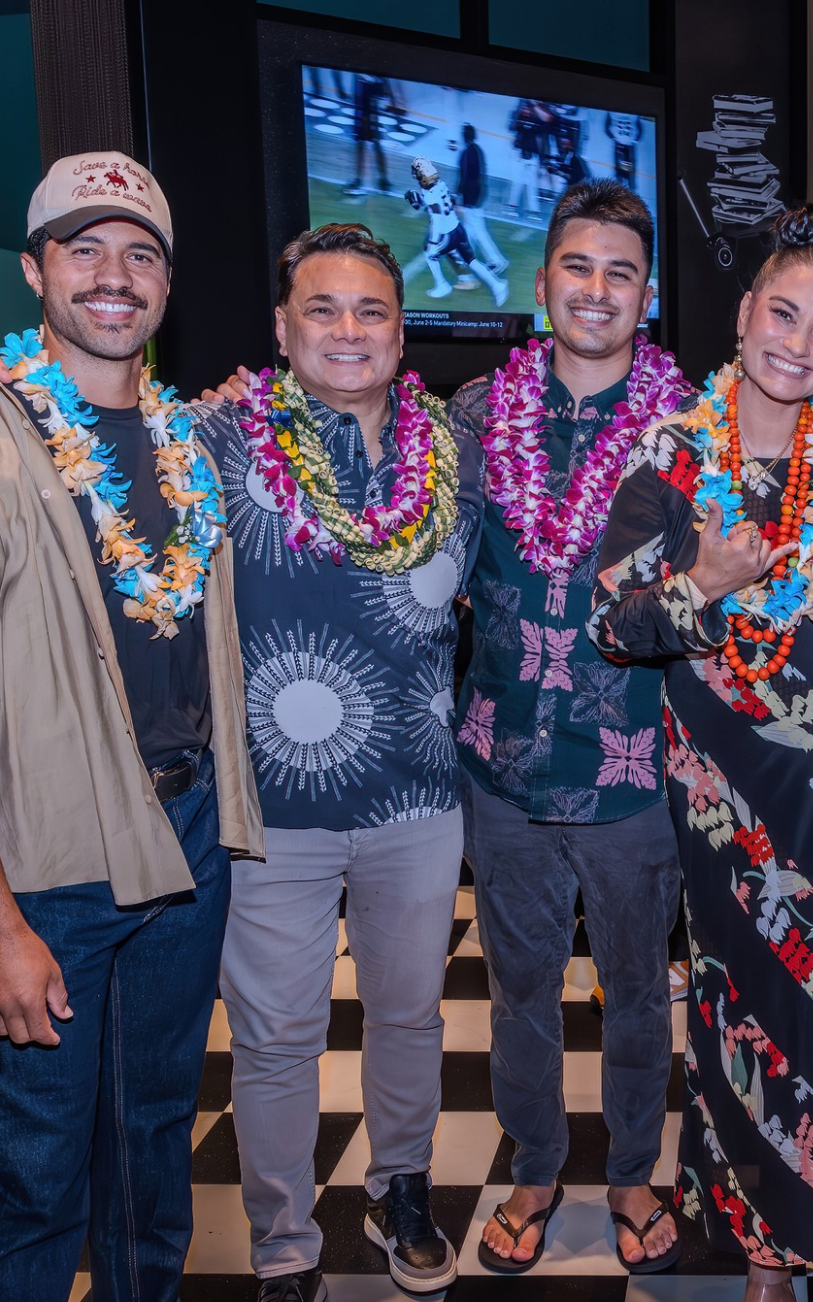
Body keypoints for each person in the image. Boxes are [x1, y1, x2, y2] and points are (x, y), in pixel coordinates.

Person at [590, 205, 813, 1301]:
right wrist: (703, 585)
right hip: (718, 781)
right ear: (742, 312)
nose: (799, 345)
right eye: (783, 314)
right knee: (738, 1000)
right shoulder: (671, 450)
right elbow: (610, 622)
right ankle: (757, 1237)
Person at [195, 223, 485, 1302]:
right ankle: (282, 1243)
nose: (348, 330)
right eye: (322, 309)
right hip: (272, 805)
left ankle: (399, 1185)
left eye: (370, 311)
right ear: (281, 327)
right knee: (276, 1038)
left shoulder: (459, 453)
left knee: (410, 1015)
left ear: (401, 333)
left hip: (417, 794)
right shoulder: (220, 441)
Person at [0, 153, 263, 1302]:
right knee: (37, 1170)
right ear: (35, 271)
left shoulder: (181, 443)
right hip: (50, 866)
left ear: (166, 285)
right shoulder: (6, 443)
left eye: (141, 254)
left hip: (187, 834)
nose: (115, 276)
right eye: (85, 249)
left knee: (155, 1136)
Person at [448, 178, 691, 1274]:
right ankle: (537, 1167)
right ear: (541, 280)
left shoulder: (690, 430)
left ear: (647, 294)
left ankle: (634, 1171)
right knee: (518, 994)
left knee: (638, 993)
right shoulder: (467, 417)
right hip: (502, 765)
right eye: (577, 267)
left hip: (634, 772)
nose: (596, 290)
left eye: (620, 272)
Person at [404, 156, 507, 305]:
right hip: (458, 228)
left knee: (430, 253)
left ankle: (442, 285)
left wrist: (433, 242)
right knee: (472, 261)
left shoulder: (431, 194)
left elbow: (437, 218)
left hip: (447, 234)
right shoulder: (440, 184)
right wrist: (421, 201)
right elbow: (445, 203)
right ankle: (498, 285)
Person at [458, 124, 509, 275]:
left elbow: (465, 176)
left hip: (471, 196)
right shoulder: (477, 151)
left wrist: (460, 197)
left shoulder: (467, 153)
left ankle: (497, 261)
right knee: (470, 229)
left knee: (478, 231)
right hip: (478, 194)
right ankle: (466, 256)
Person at [605, 112, 643, 190]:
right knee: (619, 167)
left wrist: (636, 139)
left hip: (627, 144)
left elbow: (639, 124)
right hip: (620, 143)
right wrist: (612, 137)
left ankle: (627, 185)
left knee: (627, 168)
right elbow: (607, 125)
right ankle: (621, 184)